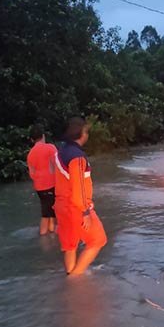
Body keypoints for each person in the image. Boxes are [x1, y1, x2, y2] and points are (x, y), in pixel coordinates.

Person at [54, 117, 107, 275]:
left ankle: (70, 273)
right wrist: (85, 213)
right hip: (76, 208)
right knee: (98, 240)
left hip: (61, 206)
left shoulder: (60, 152)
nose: (87, 135)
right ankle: (75, 282)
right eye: (86, 131)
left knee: (70, 246)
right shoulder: (77, 157)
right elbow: (79, 189)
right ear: (80, 134)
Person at [27, 124, 57, 235]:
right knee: (48, 214)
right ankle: (45, 237)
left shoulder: (30, 154)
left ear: (32, 139)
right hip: (51, 185)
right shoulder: (50, 148)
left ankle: (49, 234)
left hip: (39, 188)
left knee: (48, 211)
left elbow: (32, 174)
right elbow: (57, 166)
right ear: (43, 136)